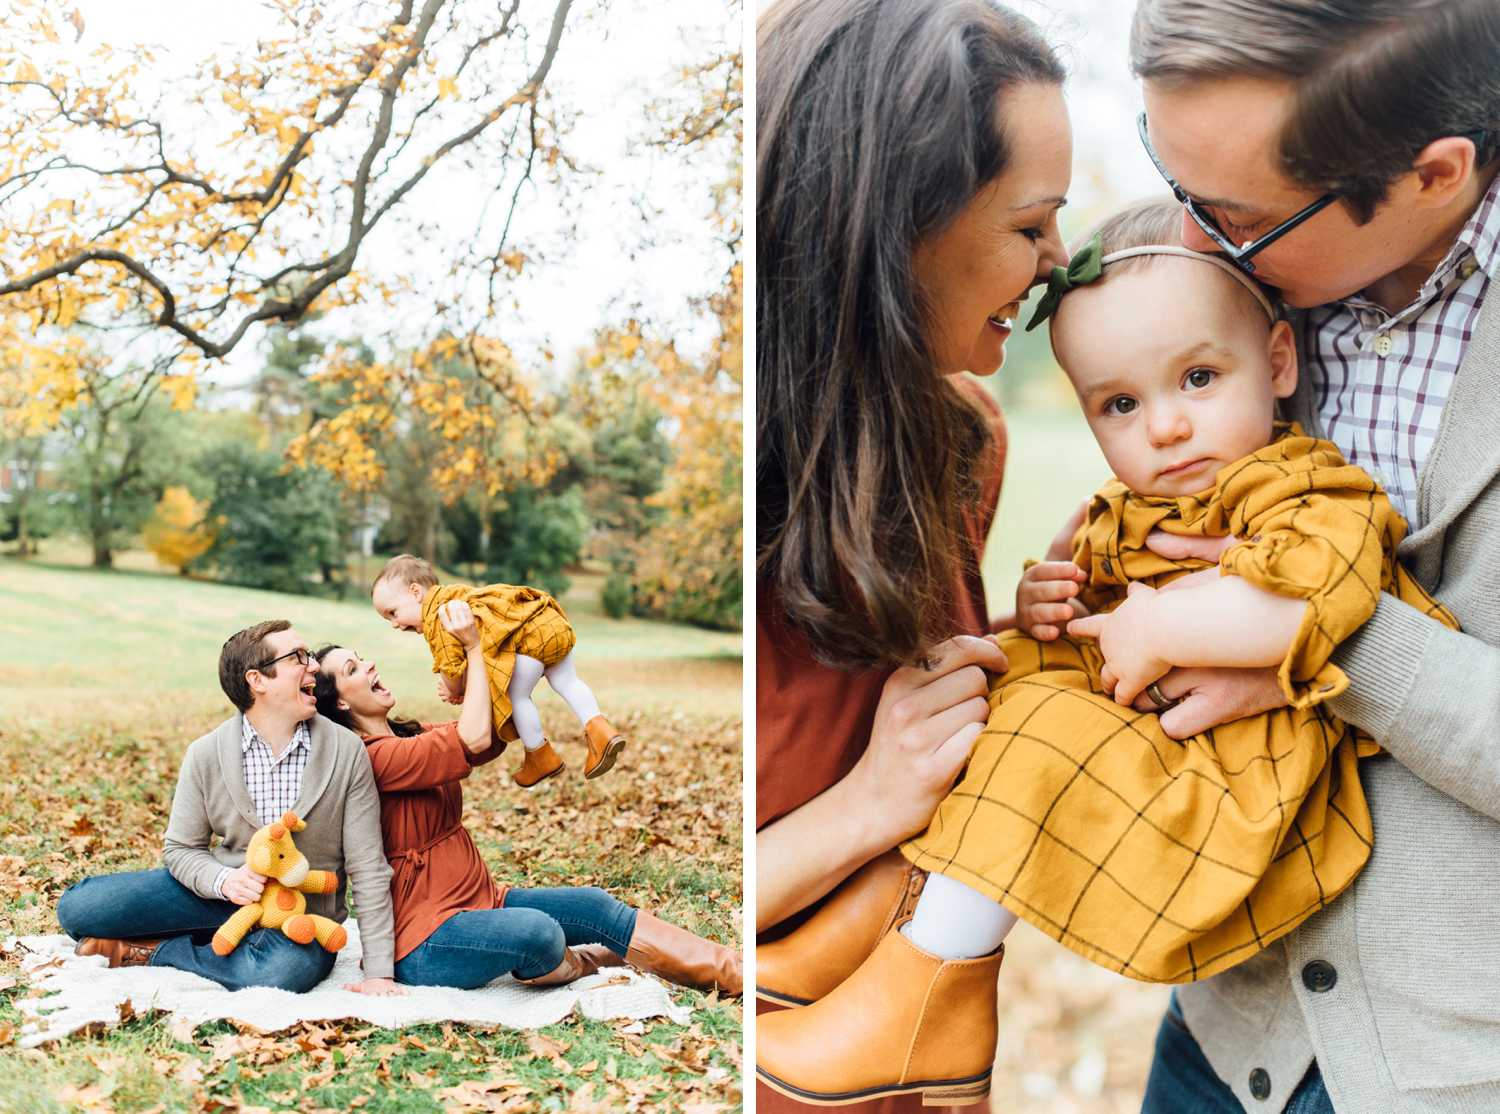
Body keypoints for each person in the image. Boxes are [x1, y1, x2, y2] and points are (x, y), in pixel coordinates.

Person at [756, 199, 1458, 1104]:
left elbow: (1312, 603)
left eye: (1199, 379)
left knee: (1041, 723)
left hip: (1241, 786)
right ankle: (894, 923)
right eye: (1121, 404)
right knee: (1002, 681)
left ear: (1279, 362)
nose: (1165, 427)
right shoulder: (1129, 509)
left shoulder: (1307, 488)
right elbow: (1091, 609)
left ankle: (929, 985)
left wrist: (1156, 626)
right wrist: (1053, 599)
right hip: (1161, 746)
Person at [1121, 2, 1500, 1111]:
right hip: (1226, 1024)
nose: (1193, 244)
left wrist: (1318, 631)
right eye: (1171, 177)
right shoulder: (1248, 294)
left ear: (1435, 174)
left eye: (1237, 217)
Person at [755, 0, 1070, 1107]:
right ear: (896, 223)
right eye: (1031, 226)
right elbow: (653, 908)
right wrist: (869, 800)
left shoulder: (963, 440)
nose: (1057, 260)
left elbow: (954, 809)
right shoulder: (737, 491)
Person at [311, 596, 742, 995]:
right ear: (342, 705)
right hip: (425, 940)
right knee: (537, 932)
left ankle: (737, 972)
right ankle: (582, 962)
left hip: (481, 900)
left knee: (592, 905)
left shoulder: (410, 735)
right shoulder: (375, 758)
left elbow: (490, 739)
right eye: (351, 669)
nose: (368, 665)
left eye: (360, 659)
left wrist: (508, 670)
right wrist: (475, 650)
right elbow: (471, 738)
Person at [56, 620, 401, 996]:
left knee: (284, 972)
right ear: (258, 680)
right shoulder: (205, 753)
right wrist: (224, 881)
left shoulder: (346, 751)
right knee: (80, 907)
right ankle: (225, 942)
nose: (315, 666)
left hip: (302, 917)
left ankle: (157, 951)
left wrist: (380, 971)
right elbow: (181, 849)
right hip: (221, 900)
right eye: (299, 658)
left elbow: (368, 865)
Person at [369, 554, 626, 789]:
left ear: (416, 592)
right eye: (387, 619)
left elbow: (452, 668)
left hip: (524, 643)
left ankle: (539, 754)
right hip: (547, 621)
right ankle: (600, 730)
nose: (394, 624)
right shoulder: (456, 594)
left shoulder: (440, 618)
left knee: (517, 697)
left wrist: (452, 688)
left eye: (393, 612)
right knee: (567, 681)